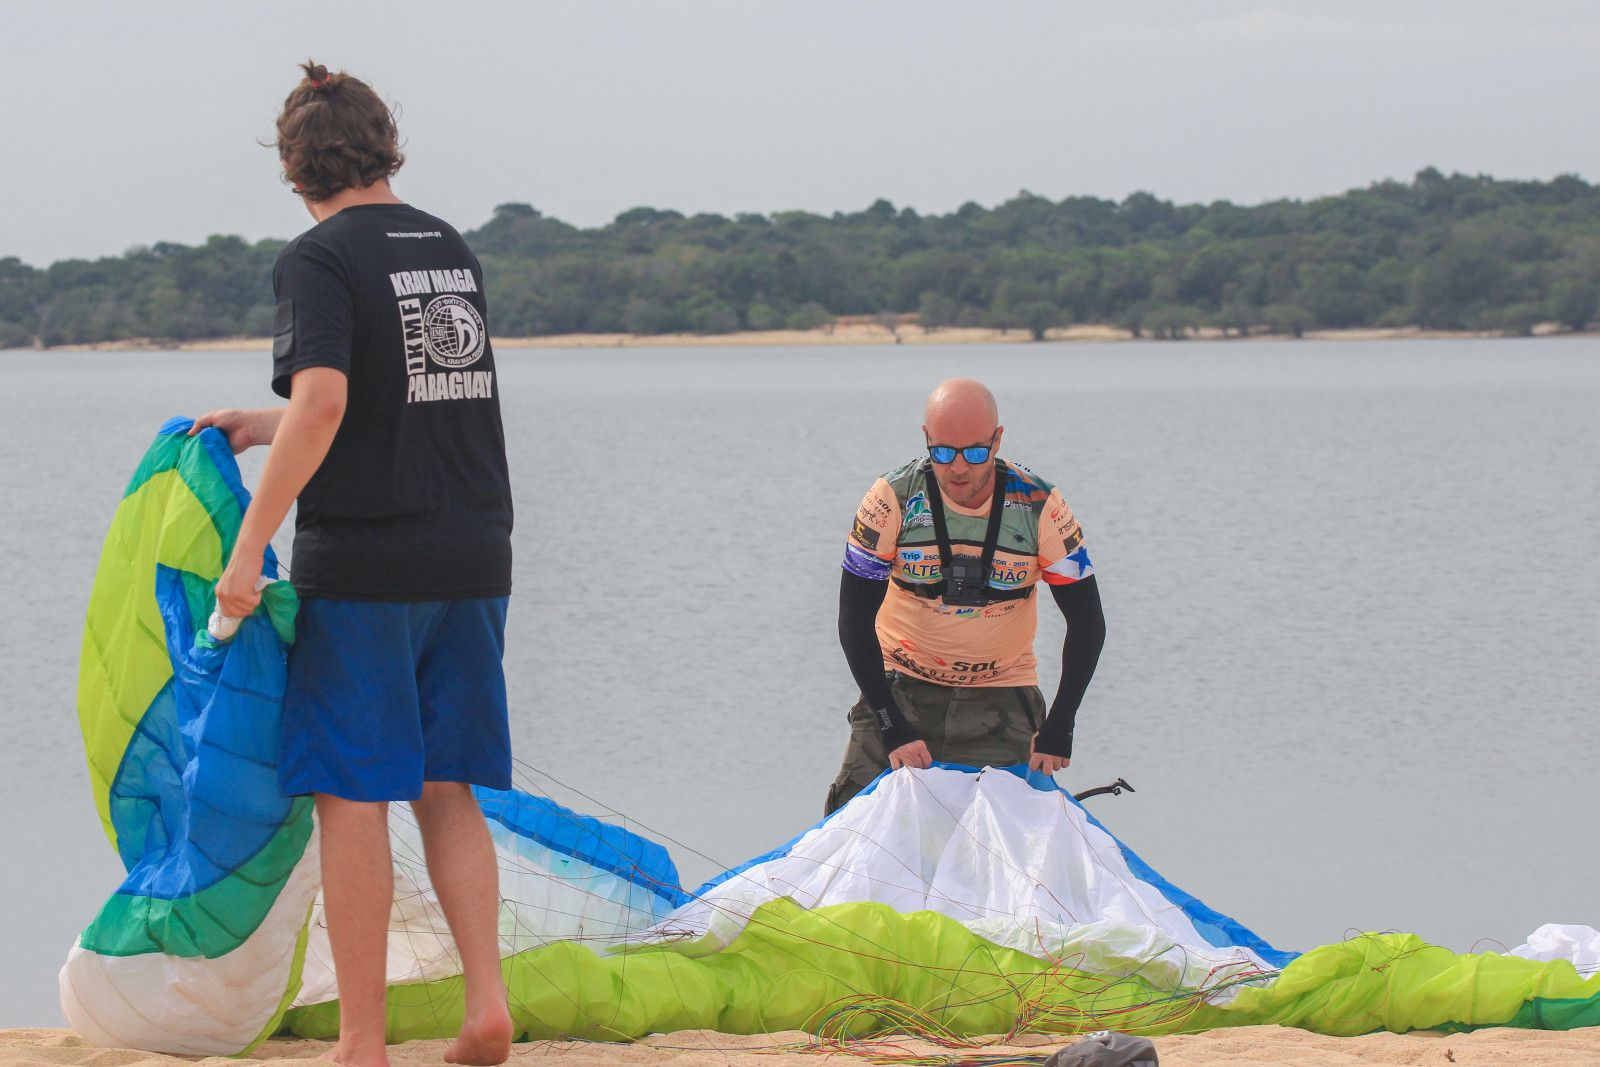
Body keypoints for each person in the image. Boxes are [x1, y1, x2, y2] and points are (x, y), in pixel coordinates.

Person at [191, 62, 515, 1067]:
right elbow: (380, 399)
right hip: (472, 548)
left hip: (368, 560)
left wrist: (250, 548)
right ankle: (486, 1006)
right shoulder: (445, 246)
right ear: (386, 145)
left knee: (351, 794)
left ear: (295, 168)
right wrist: (264, 421)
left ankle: (362, 1042)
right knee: (446, 783)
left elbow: (329, 401)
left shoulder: (316, 258)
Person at [826, 378, 1106, 814]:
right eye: (943, 453)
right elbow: (853, 619)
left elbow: (1088, 622)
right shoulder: (890, 499)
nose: (959, 468)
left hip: (1000, 692)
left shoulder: (1040, 505)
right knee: (850, 832)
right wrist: (890, 724)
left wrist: (1061, 722)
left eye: (976, 453)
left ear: (998, 440)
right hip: (901, 685)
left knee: (1010, 850)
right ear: (926, 440)